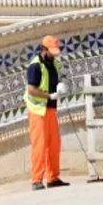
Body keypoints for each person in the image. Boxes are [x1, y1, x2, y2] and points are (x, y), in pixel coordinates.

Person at [23, 34, 69, 190]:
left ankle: (53, 178)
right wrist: (49, 95)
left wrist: (61, 85)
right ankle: (36, 179)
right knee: (40, 145)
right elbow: (31, 90)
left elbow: (61, 75)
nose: (54, 54)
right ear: (44, 49)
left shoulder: (54, 63)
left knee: (54, 144)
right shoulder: (35, 66)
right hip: (37, 111)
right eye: (52, 51)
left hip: (50, 109)